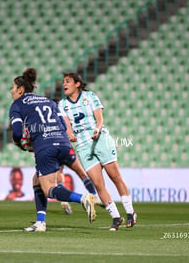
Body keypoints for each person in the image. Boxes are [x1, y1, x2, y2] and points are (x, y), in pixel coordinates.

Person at [9, 68, 97, 232]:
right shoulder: (49, 101)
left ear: (20, 90)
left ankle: (83, 198)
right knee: (37, 180)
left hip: (45, 146)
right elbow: (63, 125)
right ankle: (40, 222)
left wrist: (20, 143)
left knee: (48, 188)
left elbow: (17, 132)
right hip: (64, 143)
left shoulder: (17, 105)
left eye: (13, 87)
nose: (11, 91)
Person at [58, 72, 137, 231]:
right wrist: (70, 134)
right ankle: (116, 217)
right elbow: (67, 126)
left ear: (77, 84)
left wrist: (97, 128)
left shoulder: (90, 97)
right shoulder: (62, 104)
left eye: (67, 81)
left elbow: (99, 118)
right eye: (63, 82)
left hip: (100, 140)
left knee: (115, 176)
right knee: (98, 184)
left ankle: (130, 212)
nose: (64, 84)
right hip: (83, 146)